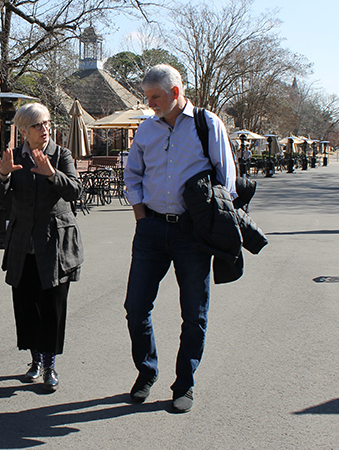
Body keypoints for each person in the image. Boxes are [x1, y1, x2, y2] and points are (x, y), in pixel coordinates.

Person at [123, 64, 237, 413]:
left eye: (155, 96)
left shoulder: (208, 125)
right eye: (147, 96)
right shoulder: (145, 130)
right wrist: (141, 215)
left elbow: (227, 181)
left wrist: (209, 222)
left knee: (194, 313)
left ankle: (184, 384)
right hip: (152, 229)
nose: (150, 103)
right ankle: (147, 370)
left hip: (192, 232)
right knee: (135, 307)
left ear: (175, 92)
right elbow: (133, 174)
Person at [0, 102, 84, 393]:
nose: (45, 129)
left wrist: (52, 173)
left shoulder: (61, 154)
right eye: (38, 125)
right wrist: (3, 174)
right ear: (24, 131)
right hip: (22, 244)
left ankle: (50, 364)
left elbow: (76, 190)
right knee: (26, 306)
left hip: (55, 243)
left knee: (52, 306)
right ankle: (35, 360)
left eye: (47, 123)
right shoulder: (13, 157)